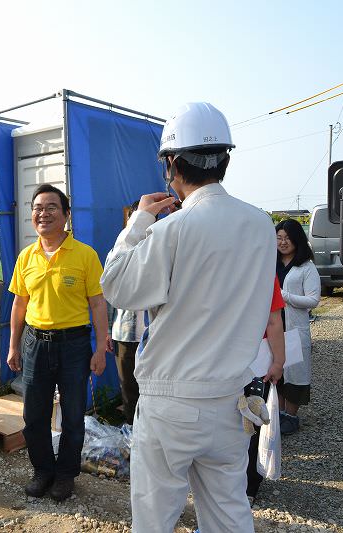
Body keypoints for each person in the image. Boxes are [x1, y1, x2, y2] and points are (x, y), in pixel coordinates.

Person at [101, 102, 277, 533]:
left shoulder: (172, 229)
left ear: (171, 165)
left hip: (172, 400)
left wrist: (141, 219)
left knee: (155, 516)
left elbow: (118, 286)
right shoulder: (260, 225)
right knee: (228, 510)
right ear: (226, 160)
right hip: (230, 400)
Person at [7, 184, 109, 502]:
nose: (43, 213)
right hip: (35, 343)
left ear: (66, 214)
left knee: (73, 414)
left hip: (75, 345)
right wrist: (13, 346)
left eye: (52, 207)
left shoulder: (85, 255)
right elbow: (19, 305)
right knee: (34, 415)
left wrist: (100, 347)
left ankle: (65, 475)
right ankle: (43, 470)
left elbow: (98, 304)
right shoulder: (26, 257)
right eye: (38, 207)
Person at [275, 219, 321, 436]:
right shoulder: (271, 264)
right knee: (278, 372)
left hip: (294, 327)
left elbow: (313, 300)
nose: (283, 242)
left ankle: (291, 416)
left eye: (287, 238)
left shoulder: (306, 267)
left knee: (294, 372)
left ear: (297, 240)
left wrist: (285, 297)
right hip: (274, 327)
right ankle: (280, 413)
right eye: (279, 238)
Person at [245, 278, 286, 506]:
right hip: (255, 364)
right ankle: (248, 487)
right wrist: (278, 361)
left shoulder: (209, 259)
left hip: (219, 365)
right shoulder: (262, 266)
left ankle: (241, 484)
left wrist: (279, 361)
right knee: (251, 426)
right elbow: (273, 320)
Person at [108, 200, 143, 425]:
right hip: (125, 334)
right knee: (129, 390)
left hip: (158, 335)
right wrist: (109, 332)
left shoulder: (164, 248)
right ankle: (132, 438)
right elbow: (108, 295)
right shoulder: (118, 251)